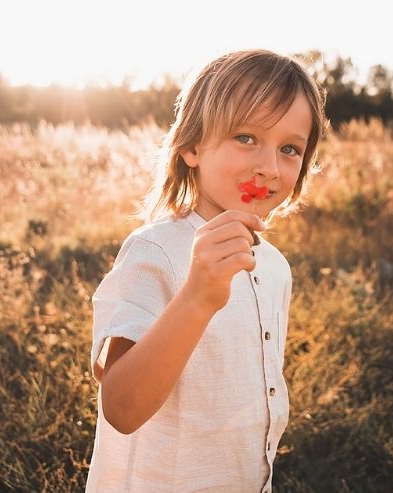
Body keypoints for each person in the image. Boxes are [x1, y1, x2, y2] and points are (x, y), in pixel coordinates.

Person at [85, 48, 327, 492]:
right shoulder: (156, 251)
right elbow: (121, 407)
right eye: (247, 138)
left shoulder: (273, 267)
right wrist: (197, 298)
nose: (268, 167)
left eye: (290, 149)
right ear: (192, 146)